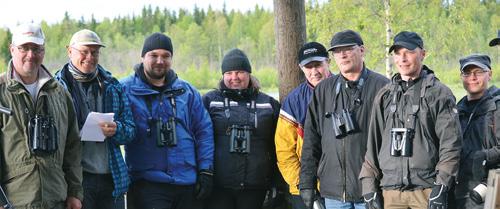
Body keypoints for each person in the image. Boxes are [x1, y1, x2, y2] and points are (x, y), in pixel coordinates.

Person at [359, 31, 462, 209]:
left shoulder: (439, 93)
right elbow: (372, 146)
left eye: (409, 52)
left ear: (423, 54)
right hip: (390, 193)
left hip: (426, 191)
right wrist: (368, 187)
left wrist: (441, 186)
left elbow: (451, 145)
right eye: (397, 53)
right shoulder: (384, 95)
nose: (402, 58)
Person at [121, 32, 214, 209]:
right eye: (153, 55)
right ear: (142, 57)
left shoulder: (187, 91)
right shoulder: (124, 89)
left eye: (166, 56)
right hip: (147, 184)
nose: (160, 61)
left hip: (187, 182)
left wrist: (206, 170)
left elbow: (204, 132)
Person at [299, 30, 389, 209]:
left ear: (362, 50)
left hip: (371, 189)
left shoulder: (383, 87)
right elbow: (311, 141)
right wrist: (306, 183)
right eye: (337, 51)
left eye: (348, 49)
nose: (343, 55)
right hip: (333, 192)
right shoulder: (323, 90)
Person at [0, 23, 83, 208]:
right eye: (24, 48)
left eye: (36, 48)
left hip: (57, 199)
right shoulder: (1, 92)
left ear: (43, 51)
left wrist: (75, 193)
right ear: (12, 49)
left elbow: (73, 146)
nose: (30, 54)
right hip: (14, 202)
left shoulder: (60, 94)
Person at [54, 29, 136, 209]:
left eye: (95, 52)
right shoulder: (56, 88)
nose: (90, 57)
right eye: (84, 52)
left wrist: (116, 129)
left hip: (112, 178)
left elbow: (130, 130)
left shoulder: (113, 85)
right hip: (76, 181)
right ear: (70, 51)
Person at [202, 48, 280, 209]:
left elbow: (279, 145)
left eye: (239, 72)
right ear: (223, 75)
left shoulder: (268, 104)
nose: (234, 77)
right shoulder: (209, 101)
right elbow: (199, 138)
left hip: (255, 186)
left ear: (249, 74)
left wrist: (276, 182)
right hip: (219, 186)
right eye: (229, 73)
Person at [274, 41, 332, 209]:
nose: (314, 71)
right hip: (304, 187)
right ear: (301, 68)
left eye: (318, 65)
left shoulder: (343, 89)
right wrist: (302, 182)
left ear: (328, 62)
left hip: (339, 187)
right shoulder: (294, 101)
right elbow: (284, 150)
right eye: (308, 67)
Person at [454, 54, 499, 209]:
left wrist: (483, 156)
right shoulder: (456, 109)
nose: (472, 77)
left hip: (487, 191)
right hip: (458, 192)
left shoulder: (497, 107)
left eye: (478, 72)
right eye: (467, 73)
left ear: (490, 74)